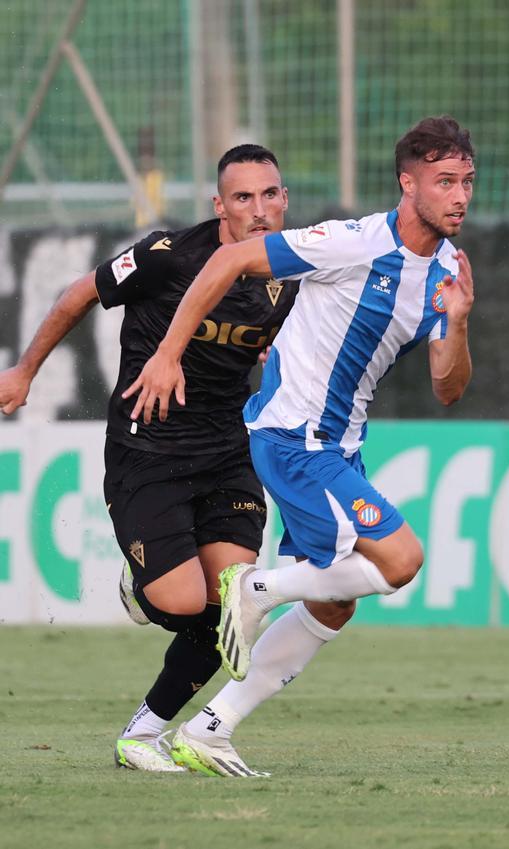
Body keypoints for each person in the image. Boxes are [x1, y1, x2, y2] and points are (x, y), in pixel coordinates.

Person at [123, 116, 476, 760]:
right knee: (400, 561)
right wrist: (170, 351)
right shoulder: (353, 242)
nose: (459, 196)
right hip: (294, 437)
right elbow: (232, 258)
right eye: (444, 181)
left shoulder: (449, 269)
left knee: (337, 603)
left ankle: (209, 732)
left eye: (466, 182)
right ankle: (258, 589)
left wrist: (456, 324)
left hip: (337, 445)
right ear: (408, 184)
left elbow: (448, 389)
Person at [0, 145, 355, 776]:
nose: (259, 210)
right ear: (220, 206)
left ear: (285, 200)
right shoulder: (170, 256)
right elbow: (79, 294)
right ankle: (143, 588)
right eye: (242, 198)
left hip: (227, 451)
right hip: (147, 450)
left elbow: (288, 351)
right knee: (184, 603)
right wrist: (25, 371)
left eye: (270, 195)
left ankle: (145, 733)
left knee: (232, 608)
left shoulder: (292, 278)